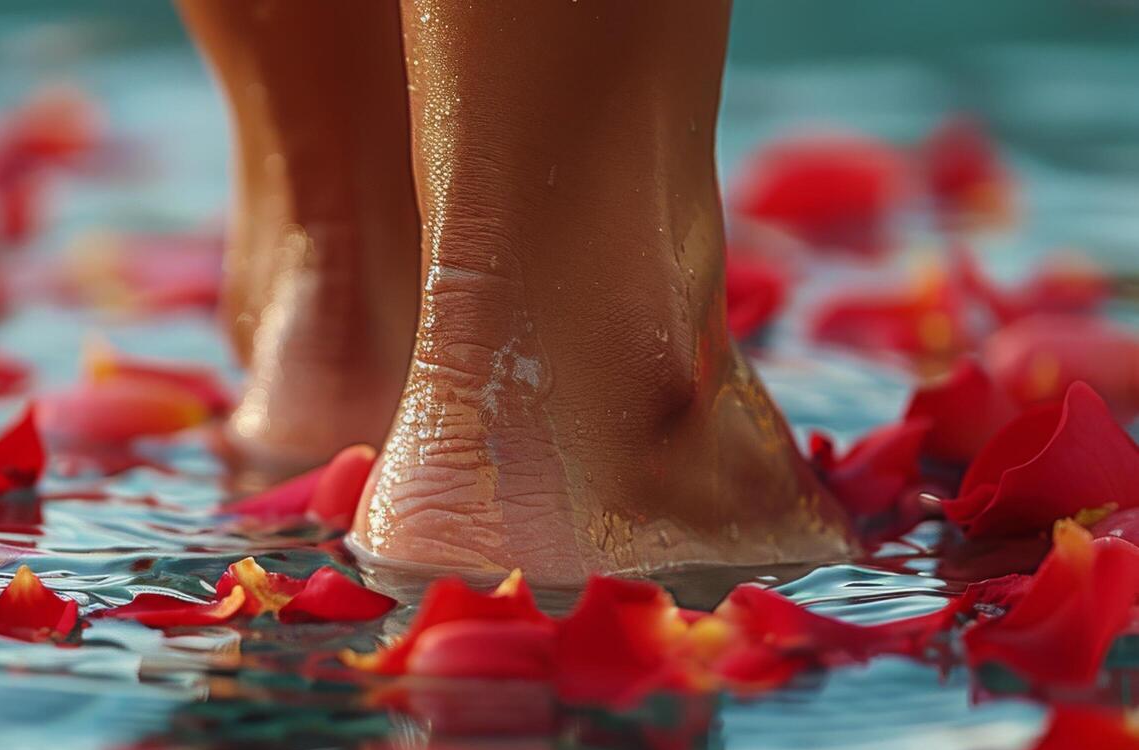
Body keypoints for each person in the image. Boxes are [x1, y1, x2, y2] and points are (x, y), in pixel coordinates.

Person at [178, 0, 852, 587]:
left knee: (349, 270)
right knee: (541, 380)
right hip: (563, 536)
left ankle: (340, 339)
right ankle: (561, 430)